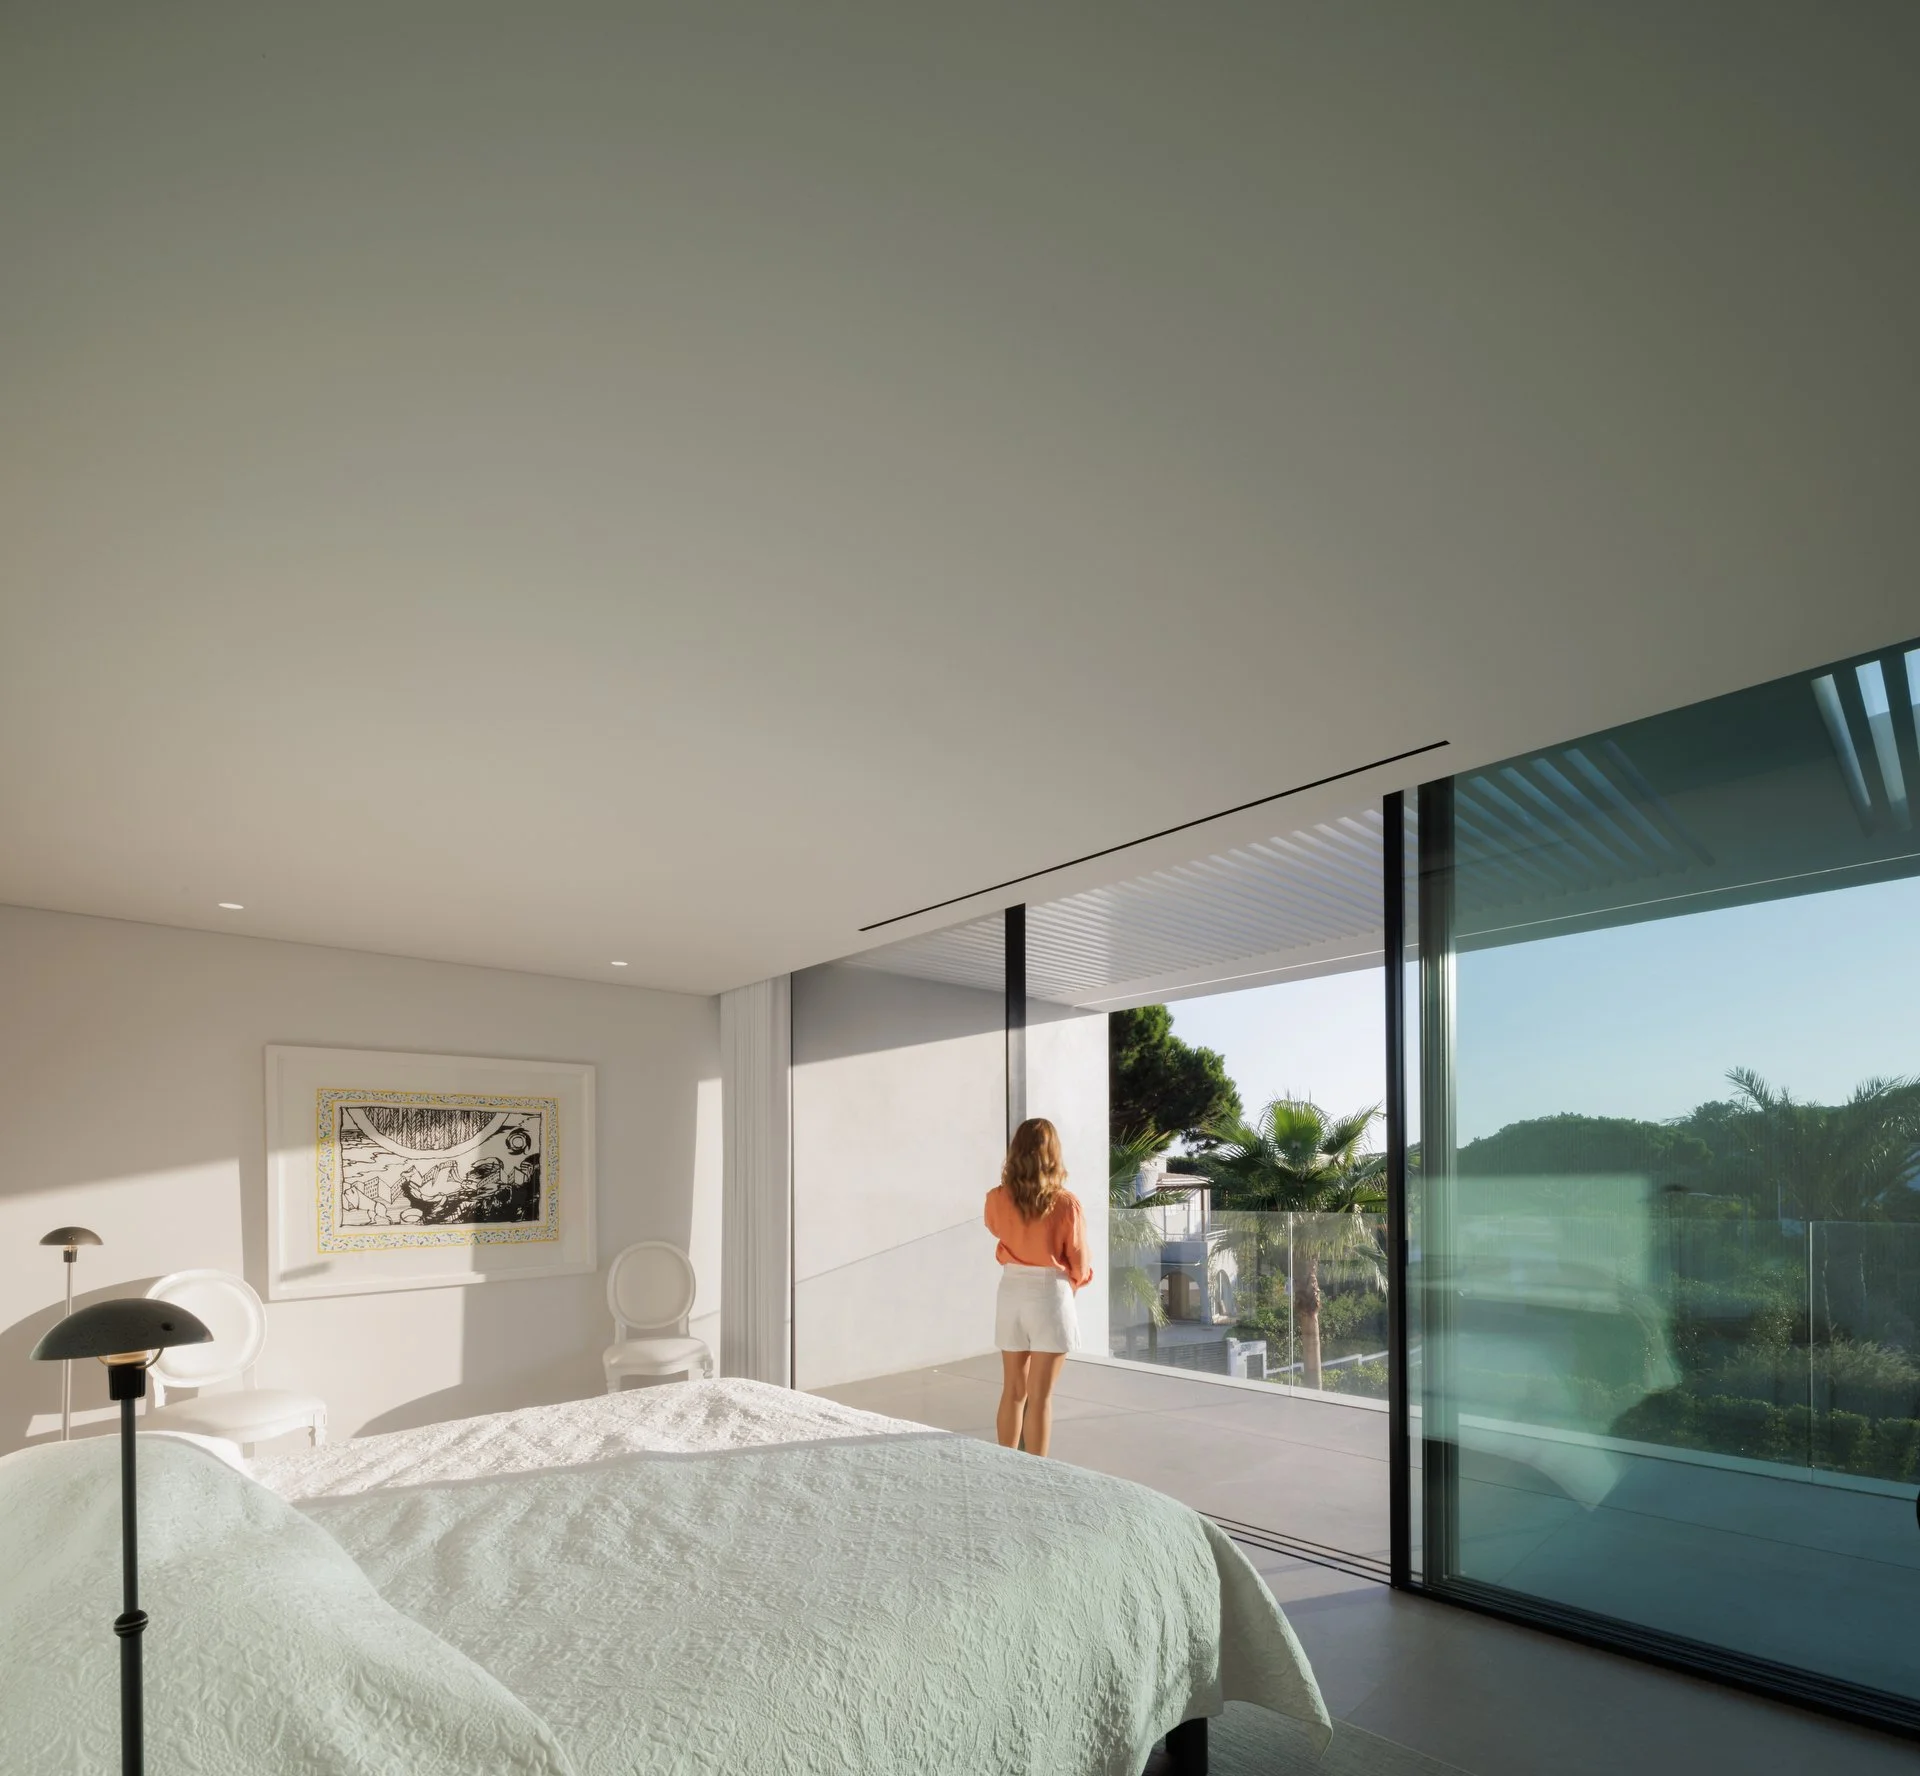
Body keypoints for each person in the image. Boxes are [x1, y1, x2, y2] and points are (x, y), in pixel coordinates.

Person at [984, 1117, 1092, 1457]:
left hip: (1011, 1292)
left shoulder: (996, 1199)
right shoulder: (1065, 1203)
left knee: (1013, 1390)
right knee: (1041, 1397)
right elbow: (1080, 1262)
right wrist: (1073, 1282)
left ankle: (1006, 1463)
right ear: (1052, 1154)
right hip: (1049, 1295)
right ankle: (1037, 1475)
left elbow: (997, 1231)